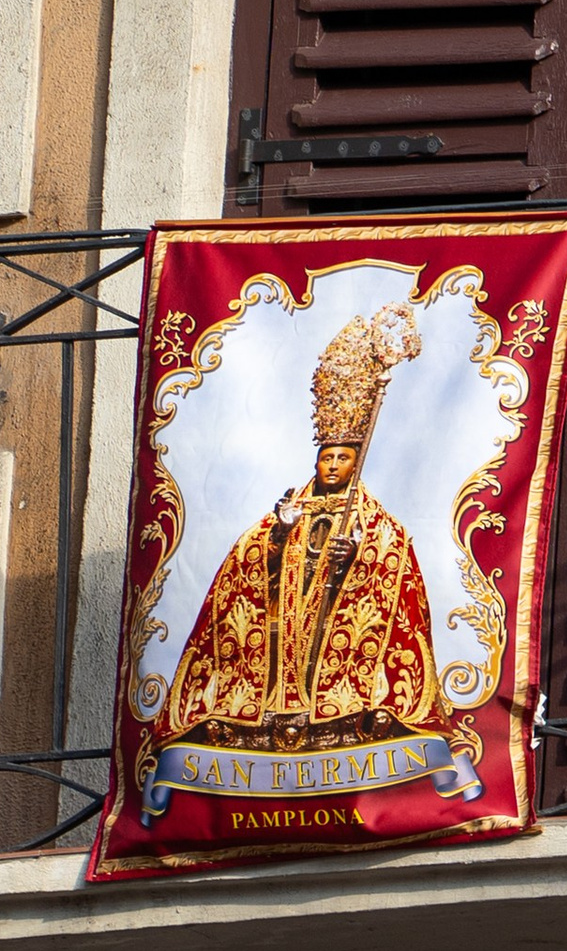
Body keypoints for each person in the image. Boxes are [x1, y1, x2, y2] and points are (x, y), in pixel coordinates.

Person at [160, 297, 443, 749]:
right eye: (326, 456)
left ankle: (340, 714)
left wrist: (355, 554)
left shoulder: (373, 522)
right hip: (285, 629)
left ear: (356, 463)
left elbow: (394, 559)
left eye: (342, 458)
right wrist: (278, 534)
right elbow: (248, 562)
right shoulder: (291, 507)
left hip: (334, 634)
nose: (332, 466)